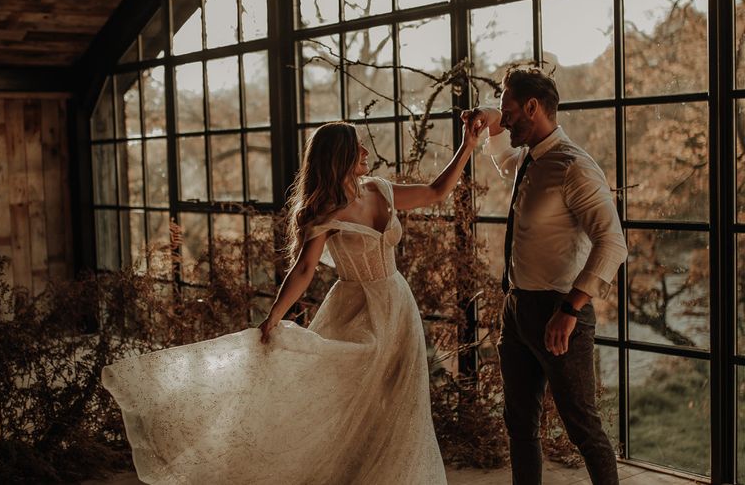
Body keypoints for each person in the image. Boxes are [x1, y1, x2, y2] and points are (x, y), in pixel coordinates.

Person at [102, 116, 487, 485]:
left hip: (399, 306)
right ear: (340, 156)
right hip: (356, 309)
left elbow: (437, 191)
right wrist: (273, 318)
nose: (367, 150)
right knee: (348, 400)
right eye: (357, 147)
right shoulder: (323, 212)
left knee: (404, 401)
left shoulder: (380, 190)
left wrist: (467, 145)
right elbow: (303, 270)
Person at [466, 67, 628, 485]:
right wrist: (486, 113)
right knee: (519, 424)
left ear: (533, 108)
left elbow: (612, 243)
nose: (505, 120)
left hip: (560, 314)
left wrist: (571, 308)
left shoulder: (574, 167)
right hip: (516, 310)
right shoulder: (526, 158)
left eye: (509, 111)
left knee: (583, 428)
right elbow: (501, 151)